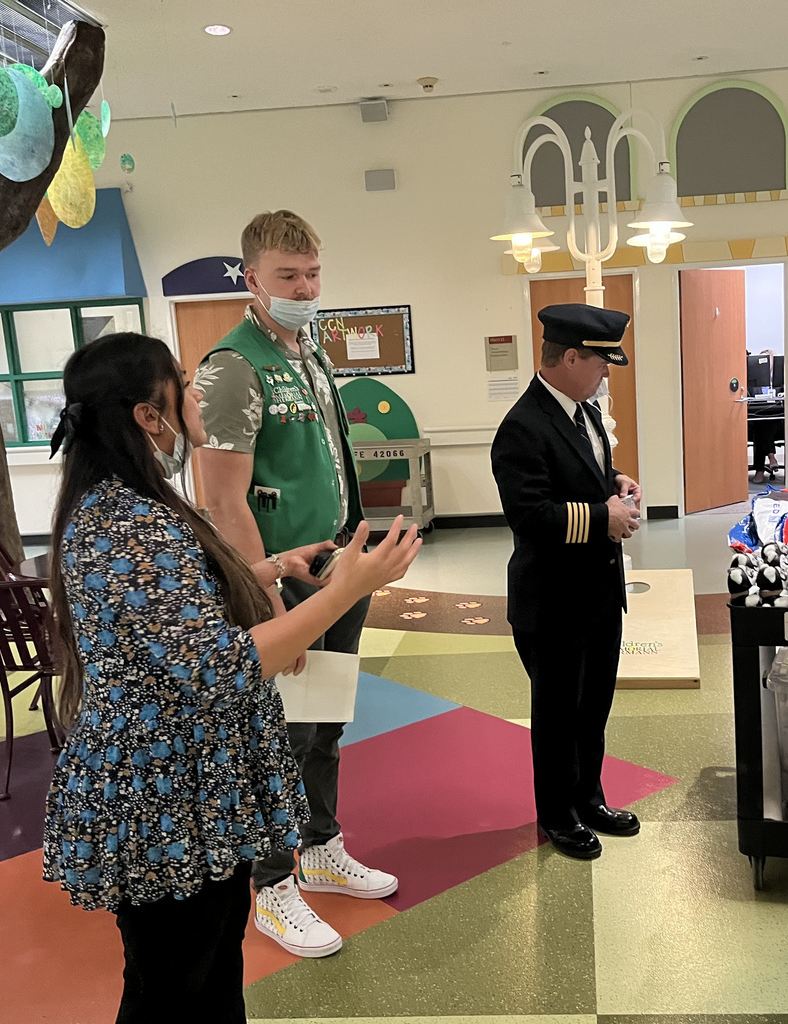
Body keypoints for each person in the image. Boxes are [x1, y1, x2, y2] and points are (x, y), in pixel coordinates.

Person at [41, 333, 420, 1023]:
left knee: (211, 967)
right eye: (182, 383)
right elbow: (220, 666)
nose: (196, 396)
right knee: (174, 985)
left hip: (185, 782)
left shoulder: (133, 504)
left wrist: (273, 567)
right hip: (162, 794)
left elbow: (175, 607)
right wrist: (345, 591)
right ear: (148, 415)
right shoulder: (127, 523)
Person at [194, 209, 395, 958]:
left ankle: (320, 846)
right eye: (288, 276)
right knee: (279, 732)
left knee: (327, 719)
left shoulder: (310, 351)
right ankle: (272, 886)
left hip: (338, 564)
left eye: (313, 274)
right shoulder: (232, 366)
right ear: (251, 278)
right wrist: (266, 595)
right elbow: (222, 500)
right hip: (285, 579)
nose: (306, 288)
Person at [491, 303, 643, 860]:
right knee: (557, 717)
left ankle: (589, 799)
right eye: (601, 363)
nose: (606, 374)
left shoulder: (587, 412)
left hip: (598, 592)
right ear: (571, 357)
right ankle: (558, 814)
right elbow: (530, 517)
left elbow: (583, 471)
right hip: (552, 601)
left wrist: (615, 481)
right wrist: (604, 517)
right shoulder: (522, 426)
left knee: (593, 709)